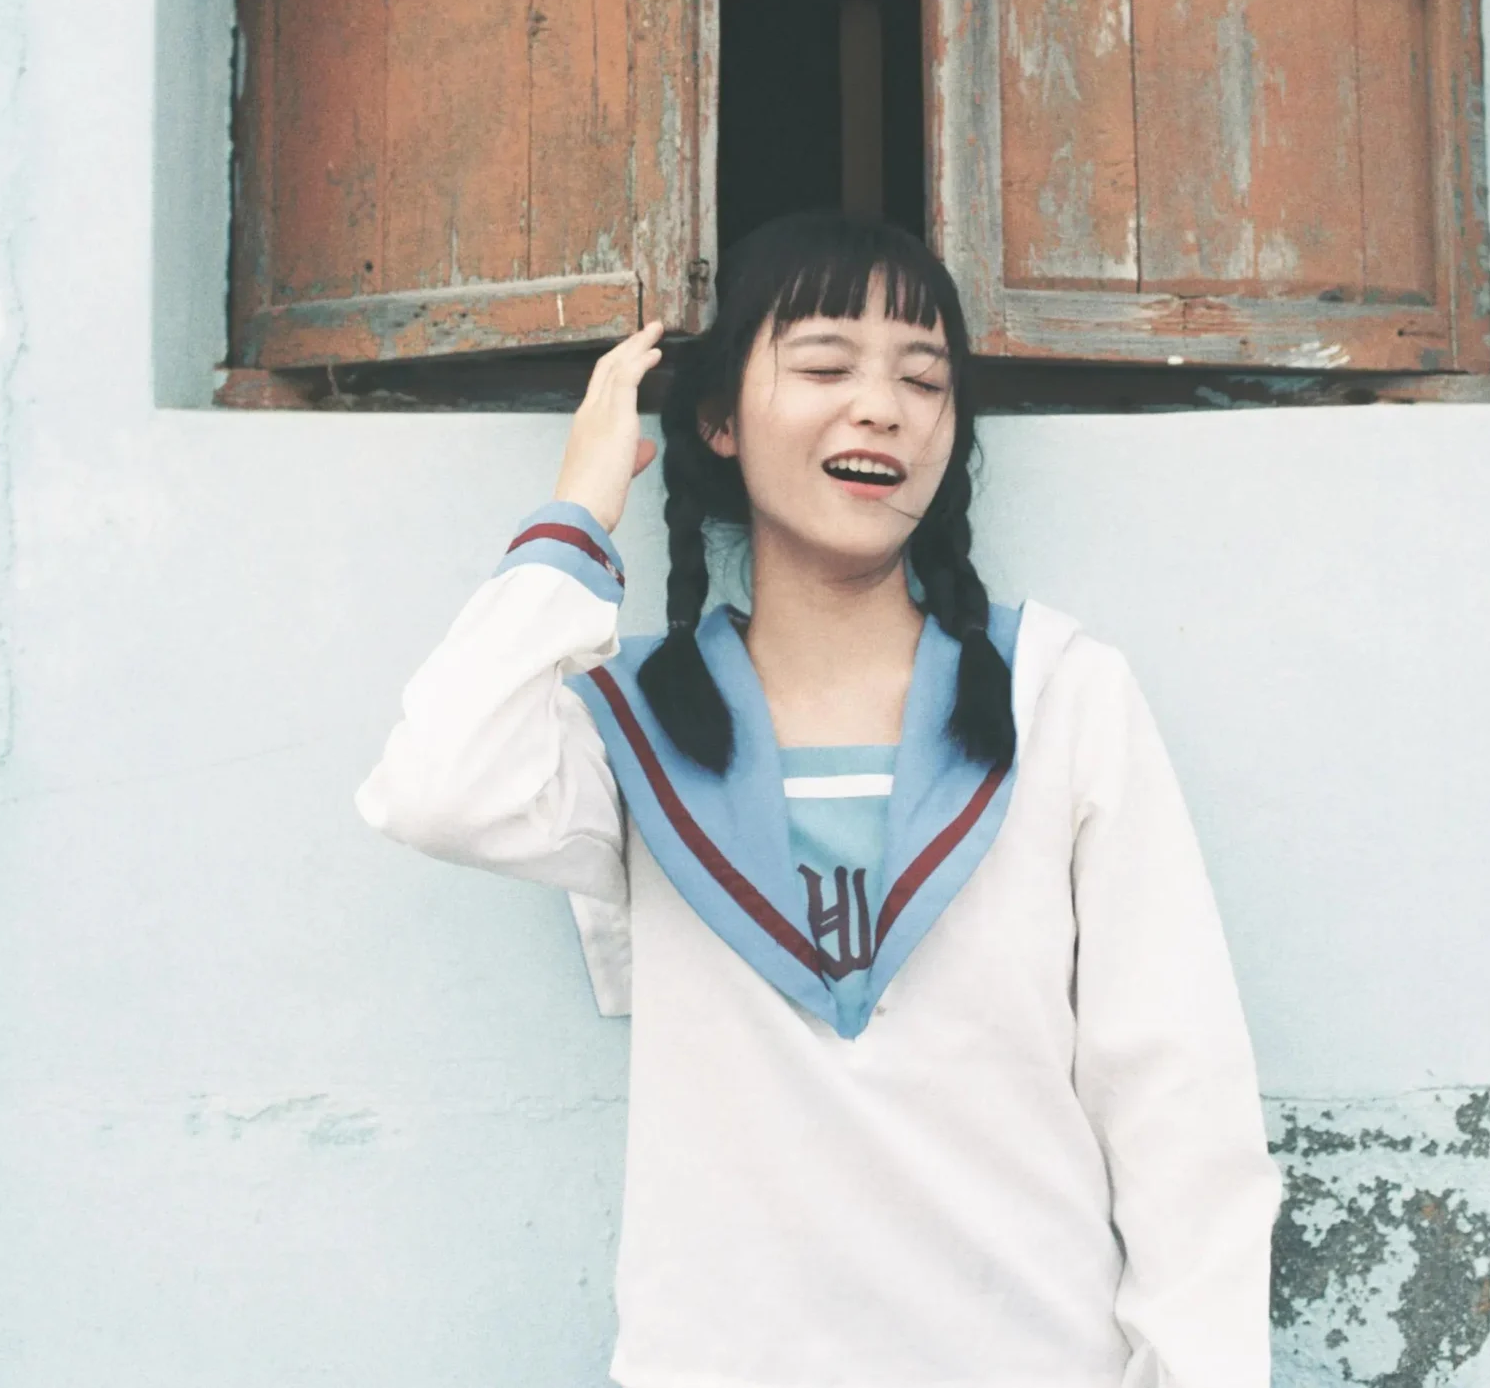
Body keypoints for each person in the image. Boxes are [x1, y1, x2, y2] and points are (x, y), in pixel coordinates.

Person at [355, 212, 1282, 1387]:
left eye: (922, 379)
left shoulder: (1056, 694)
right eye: (825, 366)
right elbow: (436, 789)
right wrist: (577, 511)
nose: (881, 407)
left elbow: (1178, 1101)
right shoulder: (632, 724)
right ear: (718, 421)